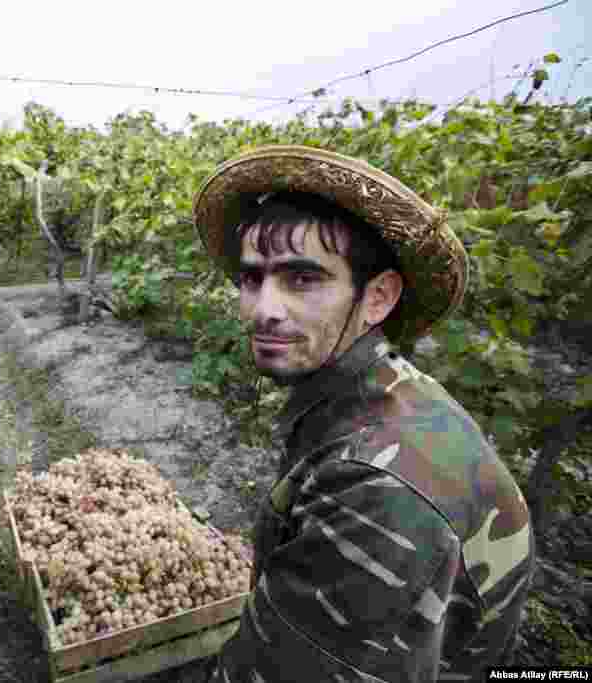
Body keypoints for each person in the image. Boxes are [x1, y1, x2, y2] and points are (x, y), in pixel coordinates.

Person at [191, 146, 536, 682]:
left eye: (302, 279)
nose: (264, 309)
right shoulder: (376, 392)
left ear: (377, 298)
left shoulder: (375, 487)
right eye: (251, 279)